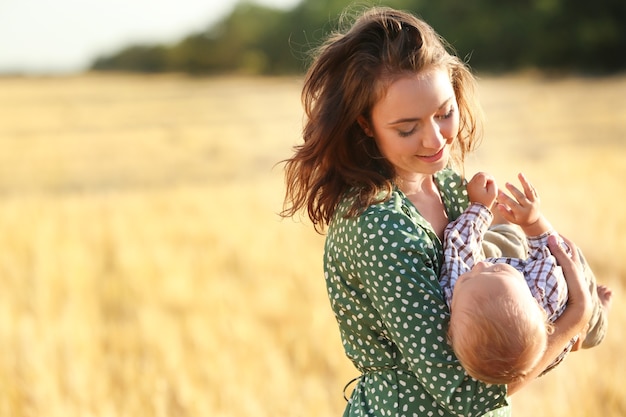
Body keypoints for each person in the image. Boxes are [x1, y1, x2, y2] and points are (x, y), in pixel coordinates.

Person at [281, 7, 592, 416]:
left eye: (444, 113)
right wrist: (574, 319)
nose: (435, 140)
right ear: (365, 125)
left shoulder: (447, 187)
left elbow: (500, 323)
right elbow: (464, 393)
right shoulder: (377, 226)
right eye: (407, 128)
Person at [441, 171, 612, 385]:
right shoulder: (547, 287)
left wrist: (480, 208)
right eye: (496, 271)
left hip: (530, 332)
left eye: (468, 277)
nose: (481, 266)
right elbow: (549, 248)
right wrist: (532, 221)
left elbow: (459, 245)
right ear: (531, 294)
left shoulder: (457, 292)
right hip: (558, 314)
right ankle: (598, 319)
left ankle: (502, 225)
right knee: (591, 318)